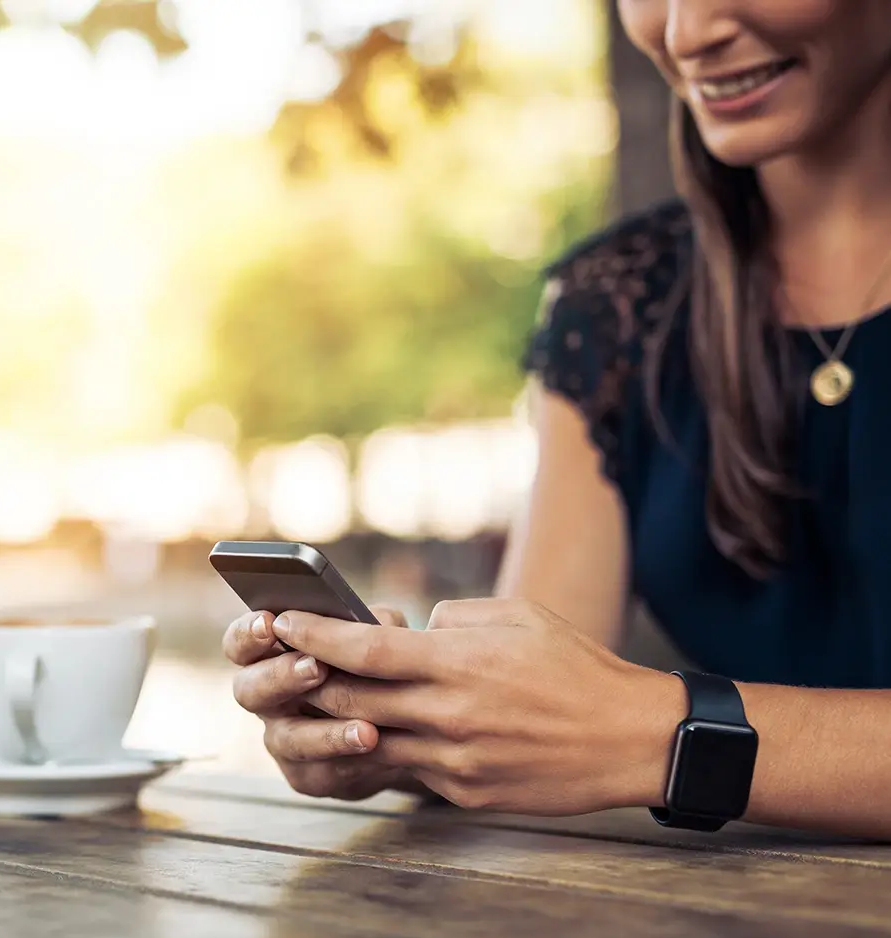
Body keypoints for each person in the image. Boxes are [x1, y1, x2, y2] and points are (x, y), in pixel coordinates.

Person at [224, 0, 891, 838]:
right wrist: (390, 721)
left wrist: (662, 733)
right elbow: (537, 719)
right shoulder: (617, 306)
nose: (685, 33)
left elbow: (618, 731)